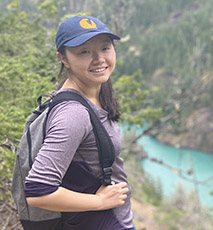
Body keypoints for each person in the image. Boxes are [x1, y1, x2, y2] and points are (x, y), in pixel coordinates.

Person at [24, 15, 135, 230]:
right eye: (85, 51)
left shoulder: (96, 95)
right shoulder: (73, 114)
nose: (99, 59)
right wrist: (100, 201)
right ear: (63, 58)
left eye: (105, 48)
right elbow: (38, 191)